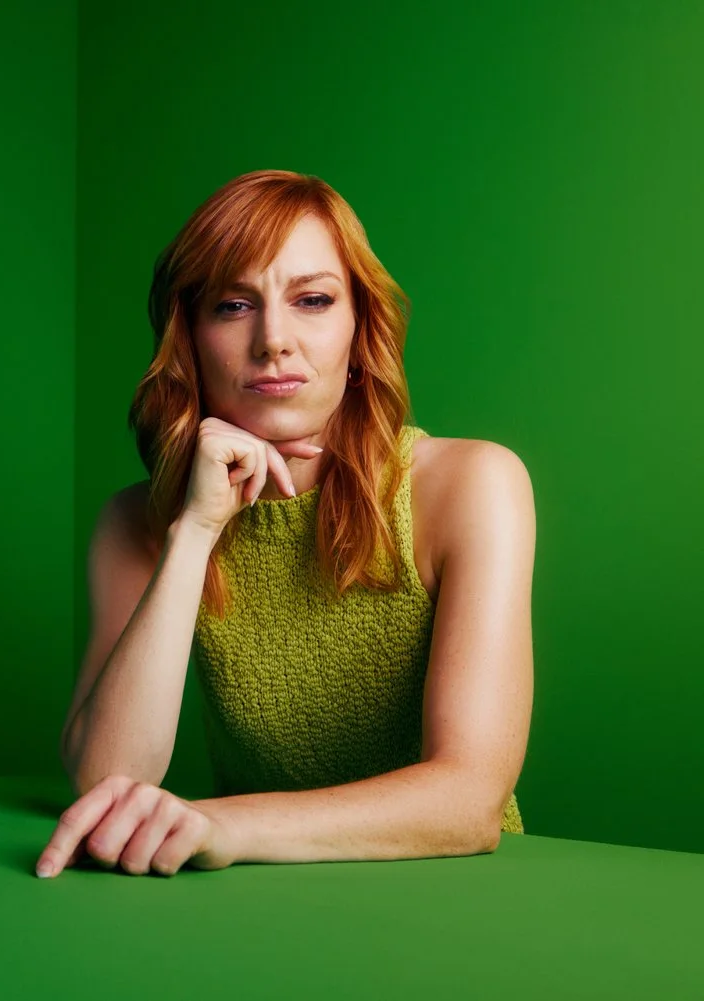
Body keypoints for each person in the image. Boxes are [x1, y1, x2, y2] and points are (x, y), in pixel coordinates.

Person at [37, 169, 534, 879]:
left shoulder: (470, 485)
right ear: (189, 337)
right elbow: (104, 778)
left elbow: (469, 797)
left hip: (449, 890)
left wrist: (222, 822)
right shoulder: (135, 521)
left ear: (359, 329)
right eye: (234, 304)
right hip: (253, 896)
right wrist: (195, 530)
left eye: (313, 300)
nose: (275, 339)